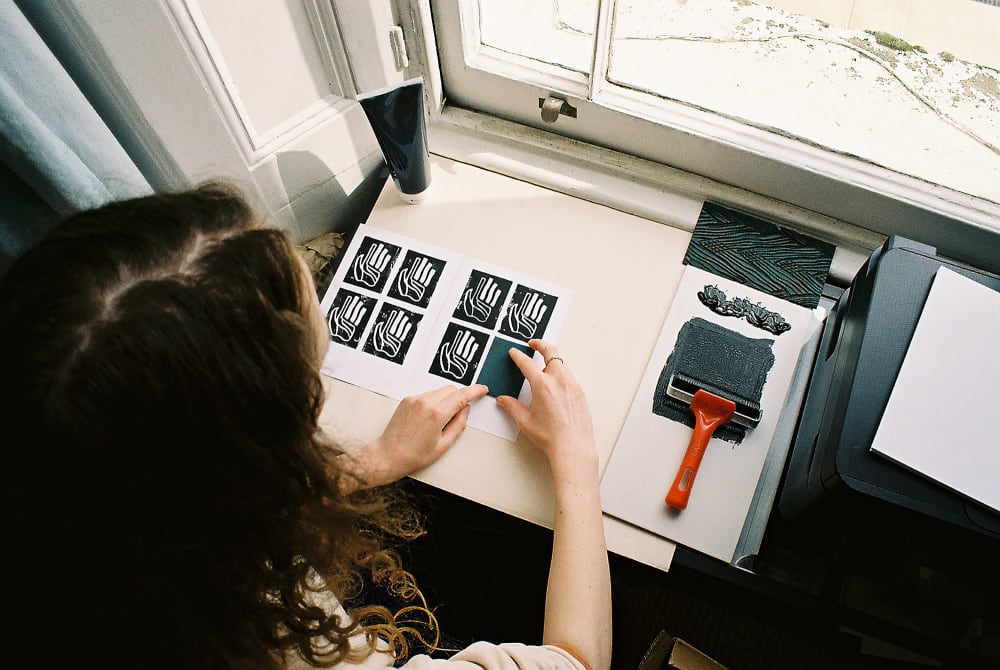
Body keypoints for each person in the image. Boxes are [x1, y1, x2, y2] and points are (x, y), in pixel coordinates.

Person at [0, 183, 611, 670]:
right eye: (313, 368)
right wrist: (579, 462)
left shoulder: (66, 491)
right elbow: (573, 662)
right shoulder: (267, 643)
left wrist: (370, 463)